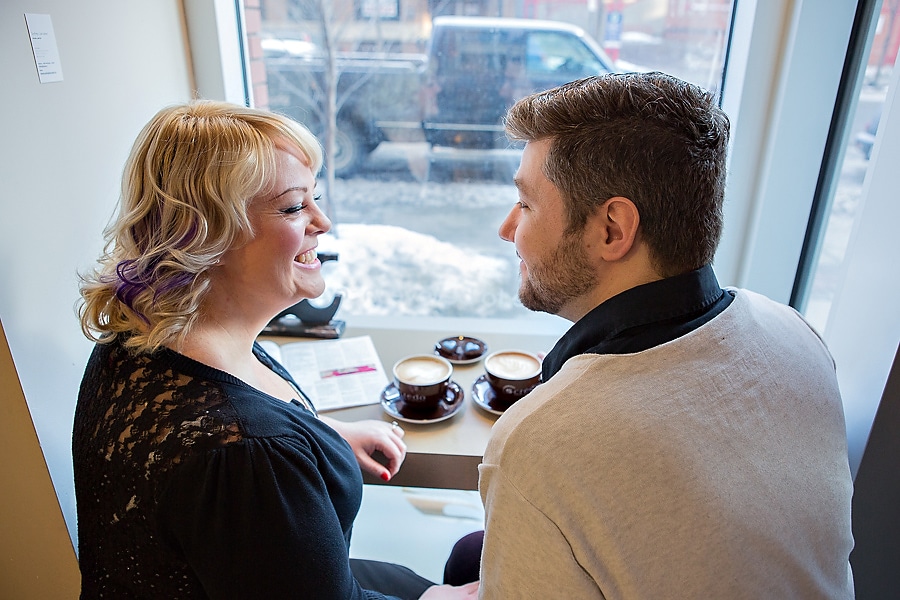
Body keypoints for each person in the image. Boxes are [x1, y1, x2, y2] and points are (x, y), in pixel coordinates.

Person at [73, 100, 478, 600]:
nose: (323, 221)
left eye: (316, 197)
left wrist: (320, 435)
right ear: (207, 235)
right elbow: (242, 450)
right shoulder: (247, 455)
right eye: (293, 207)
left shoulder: (145, 335)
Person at [477, 72, 855, 598]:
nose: (507, 228)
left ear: (612, 228)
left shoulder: (539, 445)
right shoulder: (796, 334)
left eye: (526, 204)